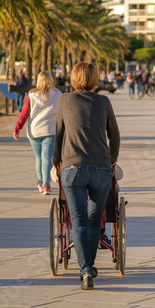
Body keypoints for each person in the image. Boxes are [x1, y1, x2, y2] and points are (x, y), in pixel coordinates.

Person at [53, 62, 120, 290]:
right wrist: (111, 160)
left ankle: (85, 271)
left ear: (73, 78)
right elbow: (115, 136)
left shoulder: (64, 100)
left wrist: (57, 161)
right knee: (94, 220)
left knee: (78, 221)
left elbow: (59, 136)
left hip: (72, 169)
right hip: (101, 169)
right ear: (95, 79)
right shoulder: (104, 101)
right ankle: (89, 266)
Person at [13, 71, 62, 195]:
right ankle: (46, 185)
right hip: (49, 130)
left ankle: (41, 182)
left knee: (39, 158)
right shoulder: (57, 94)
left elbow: (24, 113)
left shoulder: (32, 94)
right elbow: (63, 112)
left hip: (34, 132)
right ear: (50, 79)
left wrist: (17, 128)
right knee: (46, 158)